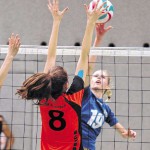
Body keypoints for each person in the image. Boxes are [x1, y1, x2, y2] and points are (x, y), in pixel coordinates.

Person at [16, 0, 108, 149]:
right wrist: (90, 22)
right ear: (66, 85)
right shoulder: (71, 96)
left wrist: (56, 21)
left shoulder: (44, 97)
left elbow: (51, 57)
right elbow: (84, 55)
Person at [81, 23, 137, 150]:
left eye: (102, 77)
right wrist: (98, 39)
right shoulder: (84, 94)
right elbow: (89, 65)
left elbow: (122, 132)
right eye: (95, 76)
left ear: (107, 86)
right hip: (75, 144)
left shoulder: (106, 110)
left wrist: (127, 134)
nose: (98, 78)